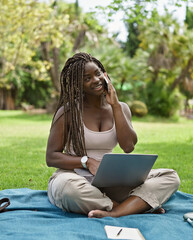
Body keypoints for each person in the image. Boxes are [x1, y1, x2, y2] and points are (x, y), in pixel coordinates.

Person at [46, 52, 180, 218]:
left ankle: (115, 211)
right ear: (78, 85)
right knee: (69, 190)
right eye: (87, 78)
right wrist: (86, 162)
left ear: (105, 75)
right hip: (74, 177)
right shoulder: (68, 112)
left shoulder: (121, 108)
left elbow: (128, 146)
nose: (95, 80)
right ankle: (133, 206)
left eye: (97, 74)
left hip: (111, 179)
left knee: (170, 177)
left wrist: (115, 105)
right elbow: (51, 157)